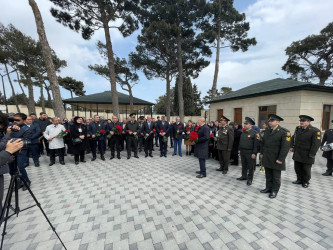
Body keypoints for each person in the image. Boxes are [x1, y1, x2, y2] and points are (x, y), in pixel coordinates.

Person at [260, 114, 290, 198]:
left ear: (278, 122)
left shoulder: (284, 132)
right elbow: (263, 143)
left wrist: (281, 159)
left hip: (276, 158)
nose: (269, 122)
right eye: (269, 121)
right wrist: (262, 153)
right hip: (267, 157)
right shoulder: (267, 131)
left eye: (272, 121)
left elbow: (285, 147)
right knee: (268, 174)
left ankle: (274, 191)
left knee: (276, 177)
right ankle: (268, 188)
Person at [290, 115, 321, 188]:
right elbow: (293, 137)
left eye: (303, 121)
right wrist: (291, 146)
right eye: (300, 121)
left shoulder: (315, 131)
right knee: (297, 168)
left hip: (307, 154)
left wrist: (312, 154)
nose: (301, 122)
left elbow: (316, 144)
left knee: (306, 169)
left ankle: (305, 181)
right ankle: (299, 179)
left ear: (308, 122)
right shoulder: (298, 129)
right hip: (297, 152)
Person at [10, 113, 33, 191]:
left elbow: (27, 141)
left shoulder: (27, 129)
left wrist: (14, 141)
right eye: (14, 120)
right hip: (10, 151)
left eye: (17, 120)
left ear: (23, 120)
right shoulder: (10, 127)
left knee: (20, 167)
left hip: (21, 151)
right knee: (11, 169)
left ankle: (27, 181)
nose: (15, 121)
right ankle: (18, 182)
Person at [237, 117, 260, 186]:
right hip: (243, 151)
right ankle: (244, 176)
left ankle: (250, 179)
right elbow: (240, 142)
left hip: (250, 153)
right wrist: (239, 149)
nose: (244, 125)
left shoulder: (255, 133)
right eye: (244, 123)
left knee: (251, 166)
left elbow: (256, 145)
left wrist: (254, 153)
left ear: (250, 125)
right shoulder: (243, 132)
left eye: (246, 124)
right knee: (244, 165)